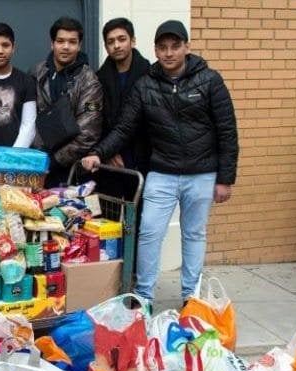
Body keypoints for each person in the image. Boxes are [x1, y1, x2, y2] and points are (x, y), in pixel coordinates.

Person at [82, 20, 238, 304]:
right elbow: (124, 127)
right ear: (155, 49)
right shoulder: (146, 85)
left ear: (186, 47)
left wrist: (225, 178)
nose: (168, 53)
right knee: (149, 233)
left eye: (175, 47)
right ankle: (143, 299)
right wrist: (99, 152)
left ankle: (191, 299)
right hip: (162, 173)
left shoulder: (210, 80)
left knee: (193, 235)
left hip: (201, 174)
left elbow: (227, 130)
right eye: (162, 47)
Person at [31, 16, 103, 187]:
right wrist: (38, 158)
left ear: (79, 45)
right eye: (60, 41)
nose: (65, 47)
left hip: (71, 171)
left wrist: (54, 161)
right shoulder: (36, 72)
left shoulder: (89, 81)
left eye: (72, 42)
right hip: (36, 165)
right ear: (52, 43)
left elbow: (88, 133)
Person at [95, 17, 151, 199]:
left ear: (133, 41)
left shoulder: (150, 75)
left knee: (135, 221)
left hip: (142, 161)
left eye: (122, 39)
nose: (116, 45)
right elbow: (94, 117)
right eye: (111, 42)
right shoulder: (98, 78)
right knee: (108, 220)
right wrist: (108, 152)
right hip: (108, 161)